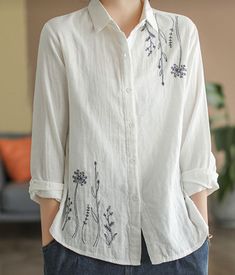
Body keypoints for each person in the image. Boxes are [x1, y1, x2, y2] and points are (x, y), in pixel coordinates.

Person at [28, 0, 220, 274]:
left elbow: (194, 142)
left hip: (176, 247)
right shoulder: (61, 34)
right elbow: (50, 144)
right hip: (81, 250)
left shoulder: (180, 32)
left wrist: (201, 234)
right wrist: (51, 245)